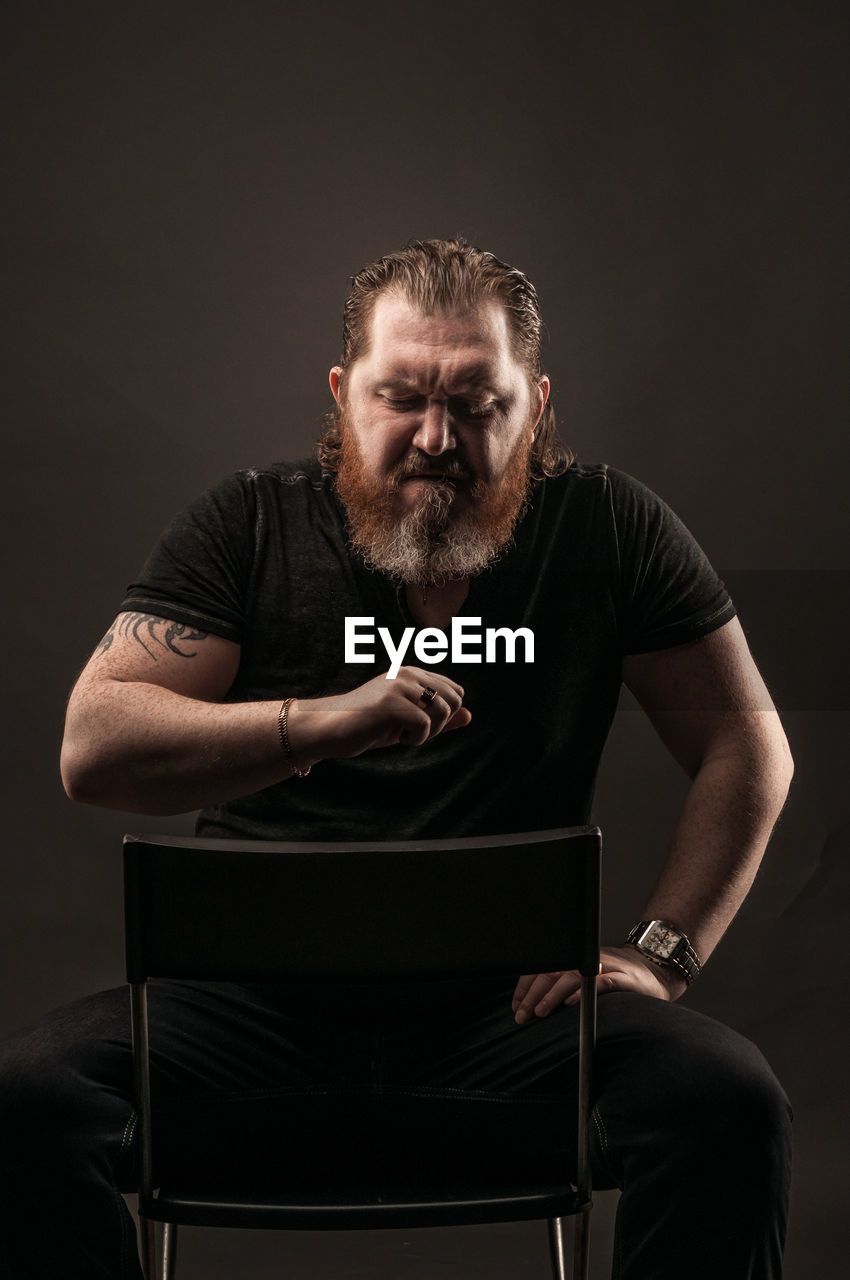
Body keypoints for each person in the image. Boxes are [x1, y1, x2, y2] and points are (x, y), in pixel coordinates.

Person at [0, 239, 792, 1278]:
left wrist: (659, 951)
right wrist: (315, 722)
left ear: (536, 402)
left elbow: (747, 743)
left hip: (511, 1016)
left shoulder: (606, 527)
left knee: (727, 1100)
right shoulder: (249, 523)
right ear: (342, 395)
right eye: (402, 395)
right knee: (25, 1101)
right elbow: (94, 745)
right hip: (243, 1009)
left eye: (476, 401)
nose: (436, 436)